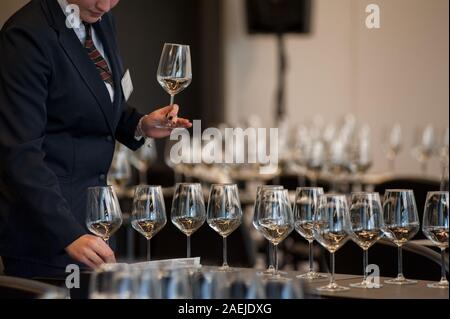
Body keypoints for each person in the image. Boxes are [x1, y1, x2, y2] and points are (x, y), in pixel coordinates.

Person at [0, 0, 192, 279]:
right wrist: (69, 234)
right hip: (48, 236)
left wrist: (138, 124)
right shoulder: (26, 35)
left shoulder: (101, 18)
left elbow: (93, 101)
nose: (105, 5)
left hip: (97, 228)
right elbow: (18, 154)